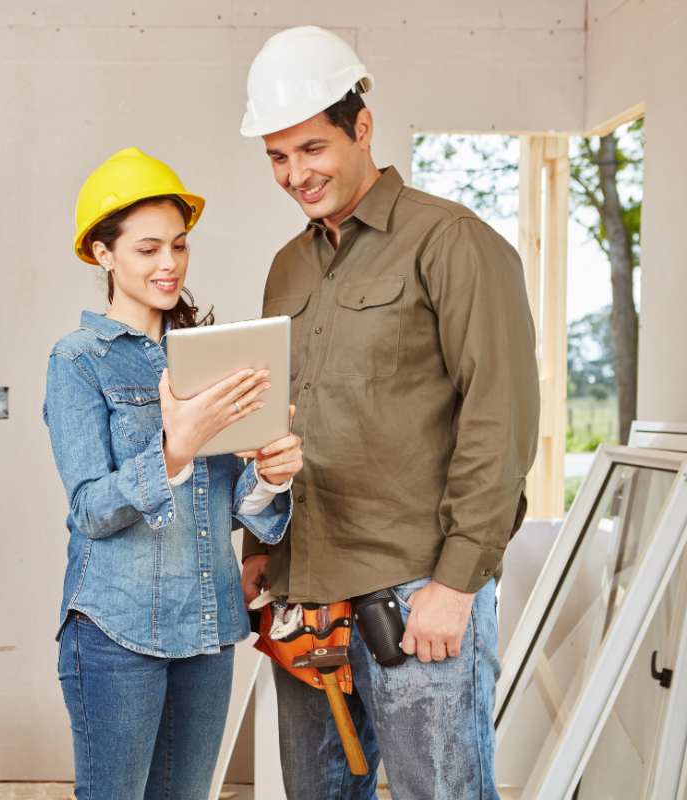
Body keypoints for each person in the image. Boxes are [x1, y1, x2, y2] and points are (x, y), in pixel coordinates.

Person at [237, 27, 541, 799]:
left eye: (312, 148)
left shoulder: (452, 242)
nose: (295, 174)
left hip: (416, 594)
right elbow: (280, 417)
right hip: (308, 595)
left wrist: (457, 585)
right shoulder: (287, 267)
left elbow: (499, 418)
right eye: (277, 156)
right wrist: (261, 548)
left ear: (362, 128)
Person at [43, 147, 304, 799]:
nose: (169, 264)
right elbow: (92, 509)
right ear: (103, 254)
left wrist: (272, 474)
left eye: (179, 246)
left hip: (207, 627)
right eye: (148, 248)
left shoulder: (208, 357)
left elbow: (229, 505)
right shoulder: (78, 361)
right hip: (117, 631)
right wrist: (173, 450)